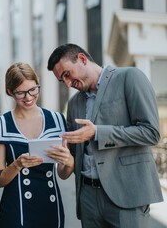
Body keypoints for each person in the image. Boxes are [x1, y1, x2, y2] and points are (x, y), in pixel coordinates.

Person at [46, 43, 163, 227]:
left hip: (127, 197)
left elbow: (151, 133)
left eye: (67, 74)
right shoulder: (74, 104)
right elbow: (72, 160)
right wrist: (66, 160)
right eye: (63, 80)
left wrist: (98, 132)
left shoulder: (129, 77)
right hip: (88, 200)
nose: (68, 84)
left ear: (82, 59)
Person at [0, 62, 74, 228]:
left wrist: (69, 162)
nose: (28, 97)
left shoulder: (57, 120)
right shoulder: (1, 124)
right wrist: (17, 165)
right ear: (9, 92)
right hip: (16, 209)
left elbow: (63, 174)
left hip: (50, 206)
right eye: (21, 93)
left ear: (38, 85)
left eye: (33, 89)